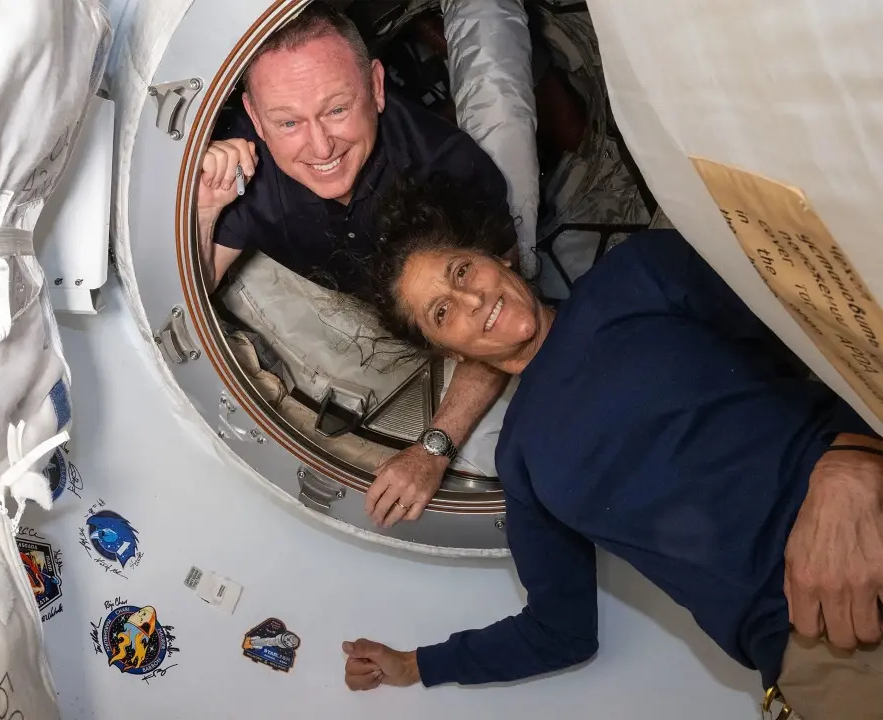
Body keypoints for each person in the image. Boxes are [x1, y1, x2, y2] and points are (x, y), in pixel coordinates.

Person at [340, 177, 883, 719]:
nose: (472, 299)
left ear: (497, 257)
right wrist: (416, 665)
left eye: (462, 271)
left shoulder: (637, 274)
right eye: (441, 312)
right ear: (447, 351)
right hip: (817, 644)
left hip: (865, 512)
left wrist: (854, 459)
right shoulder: (521, 461)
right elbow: (559, 631)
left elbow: (830, 329)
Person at [197, 1, 527, 526]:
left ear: (376, 87)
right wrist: (208, 206)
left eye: (336, 109)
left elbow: (502, 321)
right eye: (287, 122)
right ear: (255, 117)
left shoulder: (449, 169)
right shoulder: (245, 169)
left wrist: (432, 450)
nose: (320, 145)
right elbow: (190, 293)